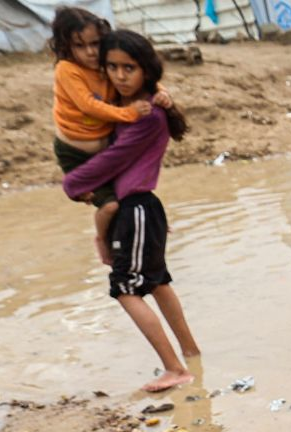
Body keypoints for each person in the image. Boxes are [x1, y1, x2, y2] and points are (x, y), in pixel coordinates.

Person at [62, 30, 199, 395]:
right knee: (156, 282)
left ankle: (175, 369)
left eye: (129, 68)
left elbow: (112, 160)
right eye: (113, 67)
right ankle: (191, 354)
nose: (120, 76)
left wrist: (72, 184)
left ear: (146, 70)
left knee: (125, 289)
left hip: (136, 207)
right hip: (143, 209)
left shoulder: (146, 115)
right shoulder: (139, 107)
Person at [46, 7, 169, 266]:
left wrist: (161, 92)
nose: (90, 52)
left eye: (95, 44)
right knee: (111, 206)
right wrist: (130, 114)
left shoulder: (104, 67)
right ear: (66, 47)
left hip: (104, 148)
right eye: (80, 46)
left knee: (129, 194)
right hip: (76, 154)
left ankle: (149, 230)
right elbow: (89, 105)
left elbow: (140, 75)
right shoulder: (67, 70)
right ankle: (102, 240)